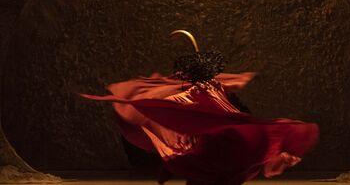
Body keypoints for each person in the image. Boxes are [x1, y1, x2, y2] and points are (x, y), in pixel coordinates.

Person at [80, 30, 319, 185]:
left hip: (215, 150)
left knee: (216, 162)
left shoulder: (210, 89)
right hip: (209, 151)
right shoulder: (196, 91)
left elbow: (221, 113)